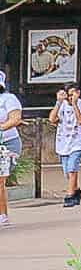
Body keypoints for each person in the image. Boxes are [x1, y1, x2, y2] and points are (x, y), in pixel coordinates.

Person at [52, 82, 81, 208]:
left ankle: (70, 195)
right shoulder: (62, 105)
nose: (69, 98)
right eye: (67, 96)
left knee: (72, 168)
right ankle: (77, 191)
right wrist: (58, 102)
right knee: (67, 172)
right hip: (63, 142)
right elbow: (52, 119)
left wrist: (75, 104)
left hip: (77, 142)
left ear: (77, 93)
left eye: (72, 95)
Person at [0, 74, 21, 229]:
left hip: (7, 143)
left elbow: (15, 119)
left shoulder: (8, 99)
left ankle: (2, 215)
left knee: (0, 180)